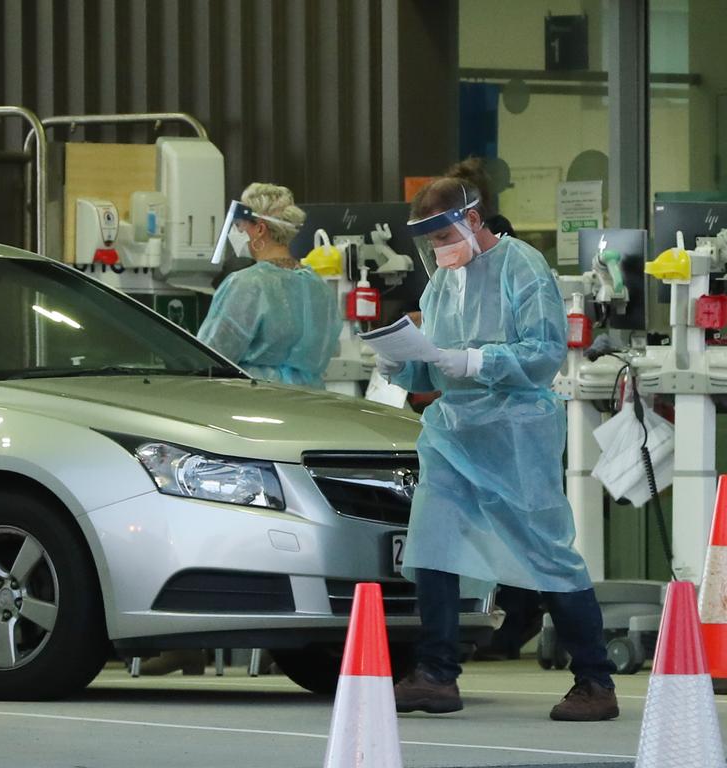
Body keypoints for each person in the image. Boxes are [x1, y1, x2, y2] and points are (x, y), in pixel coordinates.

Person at [378, 176, 618, 721]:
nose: (439, 250)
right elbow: (434, 360)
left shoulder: (521, 266)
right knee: (432, 546)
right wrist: (398, 360)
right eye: (431, 242)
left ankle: (595, 681)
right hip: (451, 431)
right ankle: (435, 674)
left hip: (514, 432)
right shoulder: (442, 282)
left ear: (475, 220)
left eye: (445, 236)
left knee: (546, 552)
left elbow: (542, 352)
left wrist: (478, 361)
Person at [447, 158, 541, 661]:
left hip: (511, 413)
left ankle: (524, 614)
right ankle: (442, 653)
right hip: (467, 414)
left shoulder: (511, 261)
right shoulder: (452, 272)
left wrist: (469, 357)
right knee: (473, 526)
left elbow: (535, 348)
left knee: (519, 526)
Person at [197, 183, 342, 388]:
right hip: (310, 402)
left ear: (259, 229)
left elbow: (210, 356)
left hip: (257, 402)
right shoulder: (319, 288)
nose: (237, 232)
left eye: (240, 225)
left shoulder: (247, 285)